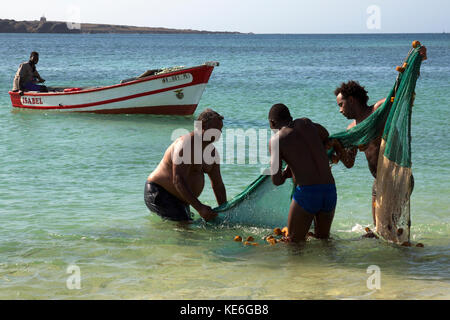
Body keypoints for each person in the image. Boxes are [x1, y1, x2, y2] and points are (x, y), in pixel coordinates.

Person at [268, 103, 337, 242]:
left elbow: (276, 181)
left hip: (307, 193)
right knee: (324, 241)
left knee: (293, 244)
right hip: (329, 190)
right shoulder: (306, 123)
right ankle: (332, 264)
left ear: (272, 122)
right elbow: (326, 134)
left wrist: (287, 172)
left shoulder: (276, 140)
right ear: (290, 117)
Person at [145, 108, 227, 222]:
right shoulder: (186, 144)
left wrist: (226, 211)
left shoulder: (212, 153)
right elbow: (178, 179)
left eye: (220, 129)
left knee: (188, 227)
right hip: (160, 193)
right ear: (202, 127)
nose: (219, 133)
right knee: (185, 229)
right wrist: (200, 208)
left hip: (182, 199)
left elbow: (218, 186)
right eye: (216, 129)